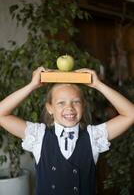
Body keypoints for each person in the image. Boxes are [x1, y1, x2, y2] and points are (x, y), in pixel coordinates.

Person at [0, 67, 134, 195]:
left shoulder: (94, 137)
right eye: (61, 103)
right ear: (50, 108)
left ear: (83, 106)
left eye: (76, 102)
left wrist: (98, 84)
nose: (69, 108)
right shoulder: (38, 136)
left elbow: (131, 114)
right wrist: (32, 85)